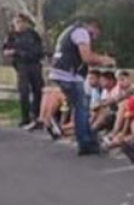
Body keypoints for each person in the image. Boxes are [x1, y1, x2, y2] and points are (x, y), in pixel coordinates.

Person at [48, 17, 115, 155]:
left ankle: (87, 138)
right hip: (69, 74)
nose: (95, 38)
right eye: (96, 33)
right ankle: (85, 143)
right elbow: (87, 57)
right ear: (93, 26)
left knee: (79, 107)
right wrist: (104, 60)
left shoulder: (69, 30)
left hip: (59, 72)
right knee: (82, 109)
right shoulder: (82, 32)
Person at [2, 13, 45, 131]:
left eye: (21, 22)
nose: (19, 24)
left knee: (38, 89)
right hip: (21, 65)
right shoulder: (11, 36)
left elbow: (40, 48)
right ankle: (25, 117)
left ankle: (37, 115)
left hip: (34, 64)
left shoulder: (33, 34)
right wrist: (14, 52)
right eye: (17, 22)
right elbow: (5, 51)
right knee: (24, 91)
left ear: (26, 23)